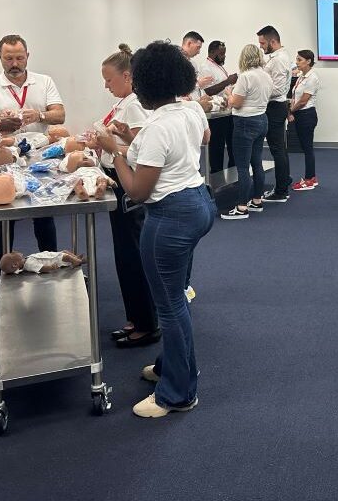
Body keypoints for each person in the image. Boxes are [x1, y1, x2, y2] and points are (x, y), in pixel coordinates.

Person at [96, 41, 215, 418]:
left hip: (170, 218)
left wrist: (113, 150)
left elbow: (137, 190)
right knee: (177, 295)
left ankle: (177, 393)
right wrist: (132, 141)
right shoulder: (190, 110)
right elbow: (197, 142)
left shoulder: (155, 128)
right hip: (199, 203)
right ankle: (170, 367)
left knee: (170, 306)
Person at [92, 44, 159, 349]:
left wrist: (110, 144)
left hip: (128, 183)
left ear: (127, 76)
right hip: (119, 179)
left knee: (132, 254)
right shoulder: (126, 103)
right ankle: (137, 317)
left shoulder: (134, 105)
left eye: (109, 80)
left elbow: (139, 152)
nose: (106, 86)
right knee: (125, 254)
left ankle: (146, 324)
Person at [0, 34, 64, 257]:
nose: (14, 64)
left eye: (19, 58)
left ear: (27, 57)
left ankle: (51, 260)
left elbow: (60, 115)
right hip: (5, 159)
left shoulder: (44, 82)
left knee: (44, 211)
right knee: (4, 215)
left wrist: (39, 115)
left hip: (40, 158)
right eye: (8, 59)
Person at [220, 44, 271, 220]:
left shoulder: (245, 77)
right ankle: (257, 200)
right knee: (257, 163)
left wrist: (228, 94)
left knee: (242, 167)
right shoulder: (266, 75)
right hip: (262, 120)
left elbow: (237, 103)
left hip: (244, 123)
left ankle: (242, 207)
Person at [257, 26, 294, 202]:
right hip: (275, 106)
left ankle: (280, 191)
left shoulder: (279, 59)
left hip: (274, 107)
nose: (261, 47)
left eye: (263, 43)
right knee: (280, 148)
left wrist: (256, 92)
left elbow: (278, 88)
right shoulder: (277, 57)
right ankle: (284, 182)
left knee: (277, 149)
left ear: (273, 41)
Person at [197, 41, 238, 174]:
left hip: (226, 112)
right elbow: (209, 90)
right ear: (213, 52)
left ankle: (233, 174)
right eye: (221, 54)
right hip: (215, 116)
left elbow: (223, 87)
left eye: (224, 54)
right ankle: (216, 176)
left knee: (232, 147)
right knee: (217, 149)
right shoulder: (206, 67)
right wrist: (228, 81)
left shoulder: (218, 66)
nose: (224, 56)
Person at [289, 49, 320, 191]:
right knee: (306, 147)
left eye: (299, 60)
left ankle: (309, 179)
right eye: (296, 59)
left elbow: (303, 101)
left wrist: (289, 111)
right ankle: (311, 177)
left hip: (307, 115)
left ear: (308, 61)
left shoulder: (312, 77)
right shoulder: (302, 76)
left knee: (307, 148)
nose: (296, 62)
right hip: (301, 115)